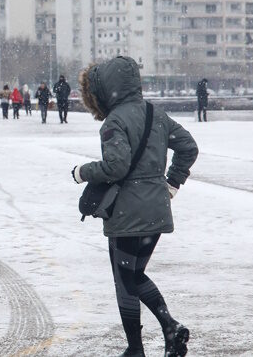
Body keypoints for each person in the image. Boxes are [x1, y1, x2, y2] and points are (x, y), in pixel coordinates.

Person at [70, 56, 198, 357]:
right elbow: (188, 147)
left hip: (128, 212)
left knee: (126, 278)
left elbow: (116, 166)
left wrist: (82, 172)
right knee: (134, 275)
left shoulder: (114, 121)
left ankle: (148, 340)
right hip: (156, 208)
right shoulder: (156, 114)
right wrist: (171, 183)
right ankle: (160, 335)